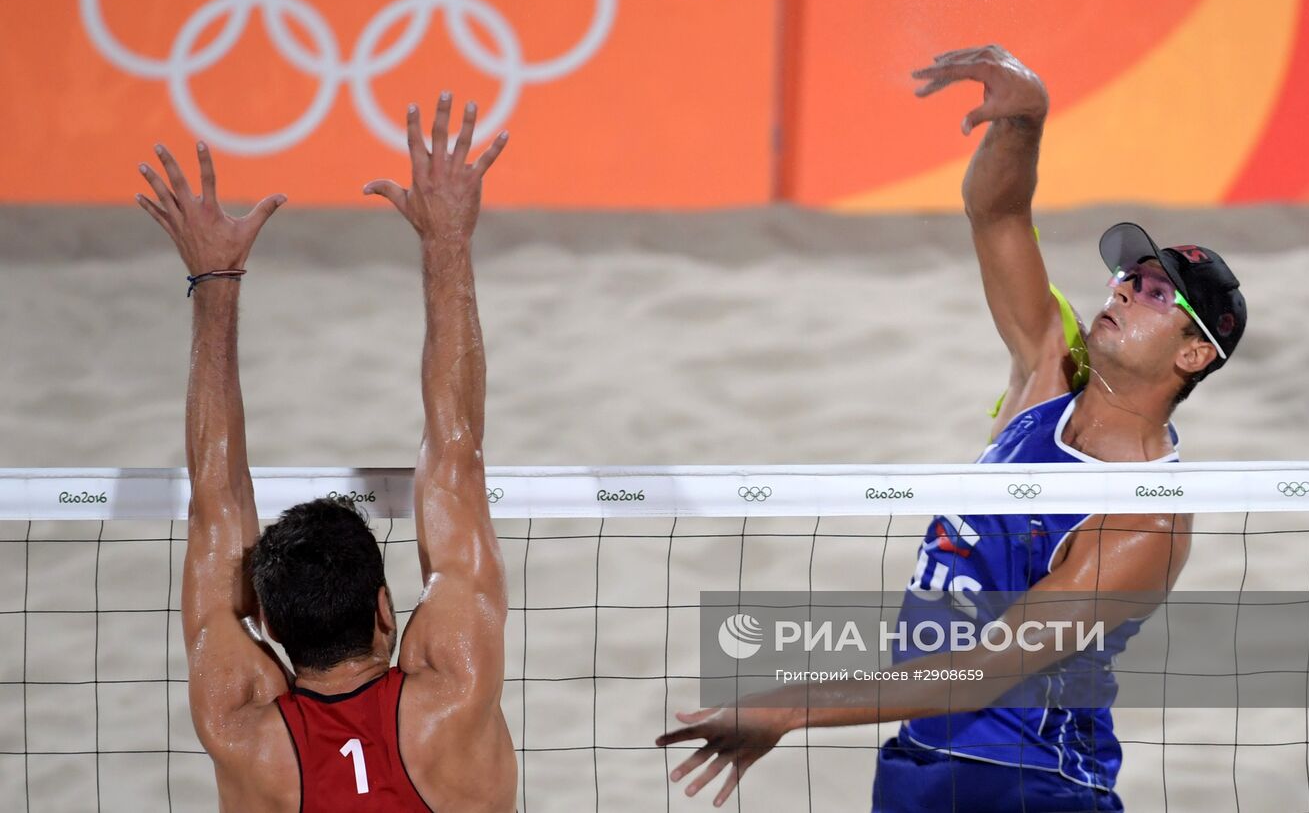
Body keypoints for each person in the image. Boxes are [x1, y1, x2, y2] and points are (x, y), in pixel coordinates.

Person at [658, 45, 1247, 811]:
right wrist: (1025, 121)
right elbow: (999, 214)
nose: (1126, 290)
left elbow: (984, 670)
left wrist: (788, 707)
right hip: (919, 762)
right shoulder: (1047, 375)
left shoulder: (1147, 520)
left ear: (1196, 352)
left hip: (1036, 786)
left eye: (1156, 291)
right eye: (1128, 276)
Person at [135, 93, 516, 812]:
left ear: (270, 625)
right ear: (384, 608)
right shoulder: (453, 696)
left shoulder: (243, 730)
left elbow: (217, 505)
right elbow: (456, 455)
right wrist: (446, 244)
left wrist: (214, 281)